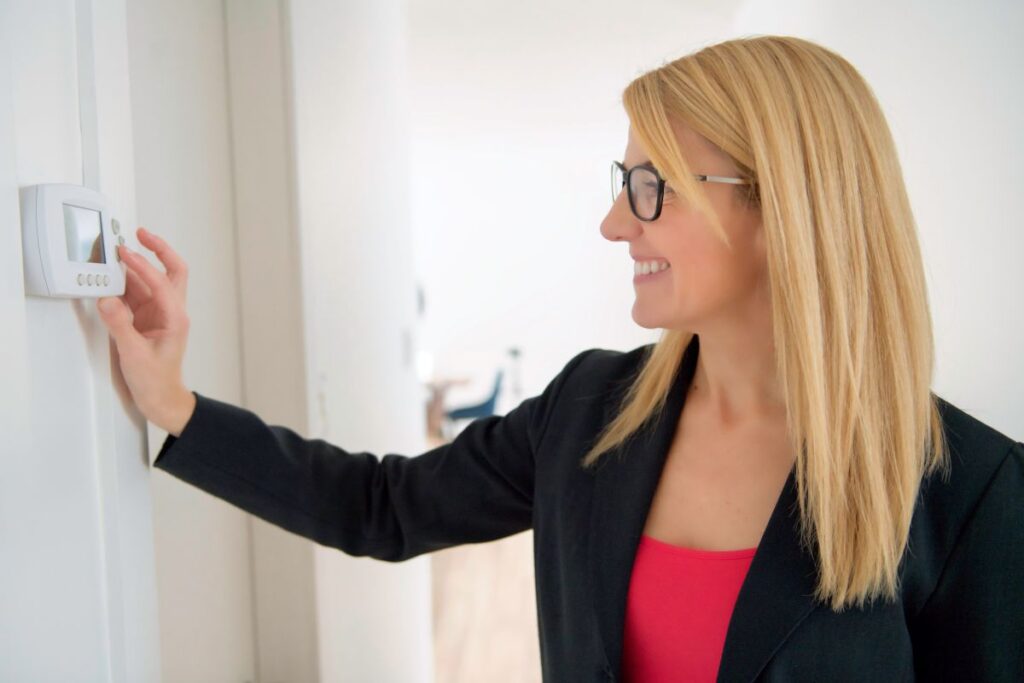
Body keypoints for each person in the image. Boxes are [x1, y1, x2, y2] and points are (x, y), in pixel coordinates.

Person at [96, 34, 1023, 683]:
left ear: (781, 207)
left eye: (650, 187)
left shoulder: (970, 489)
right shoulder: (590, 408)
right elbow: (378, 506)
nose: (615, 221)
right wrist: (175, 404)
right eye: (622, 184)